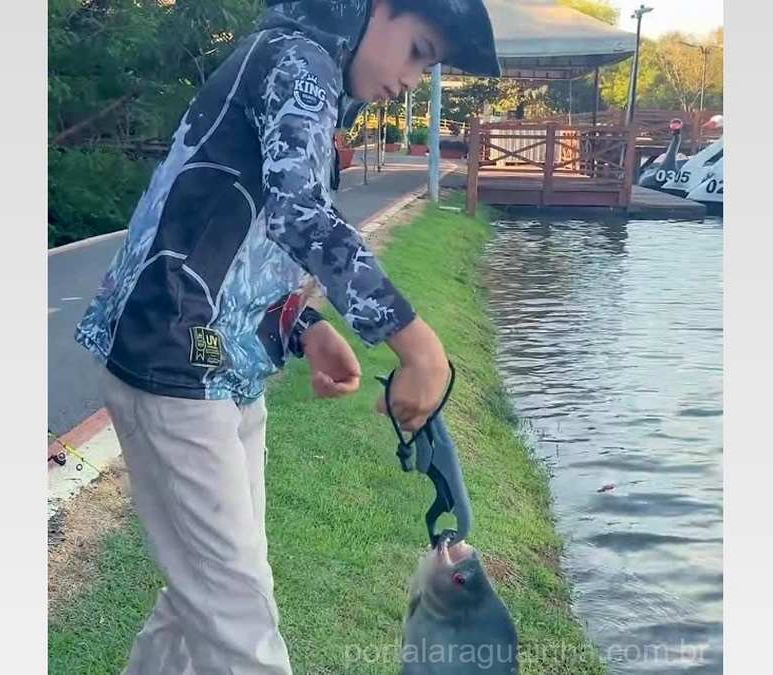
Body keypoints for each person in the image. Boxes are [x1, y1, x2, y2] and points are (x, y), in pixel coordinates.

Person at [72, 0, 500, 672]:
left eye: (431, 64)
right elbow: (298, 210)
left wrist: (303, 325)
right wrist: (416, 343)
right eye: (418, 49)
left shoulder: (300, 65)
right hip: (174, 364)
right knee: (239, 619)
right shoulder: (299, 64)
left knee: (209, 598)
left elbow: (243, 238)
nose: (416, 77)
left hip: (218, 365)